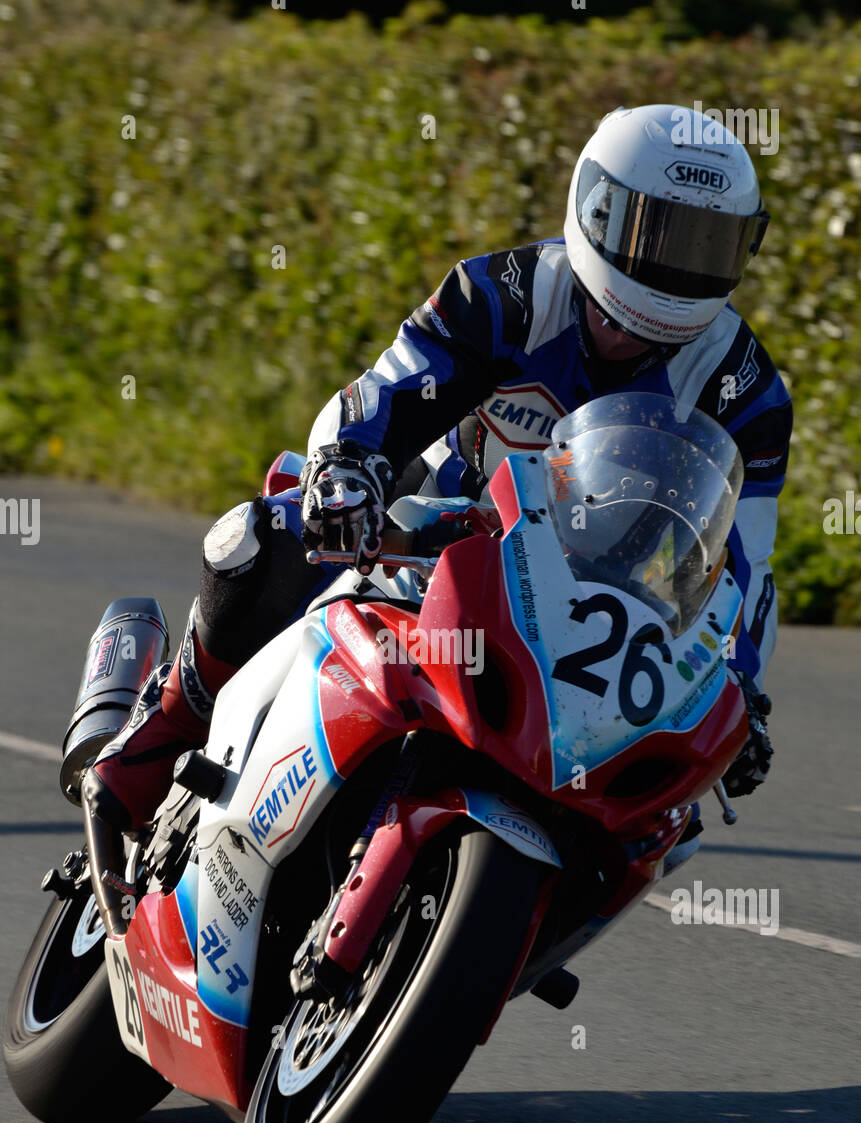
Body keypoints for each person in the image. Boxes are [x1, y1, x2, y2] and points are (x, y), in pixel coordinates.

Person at [85, 103, 789, 833]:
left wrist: (743, 685)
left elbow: (743, 566)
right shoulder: (504, 294)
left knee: (665, 820)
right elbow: (389, 388)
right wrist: (346, 469)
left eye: (707, 244)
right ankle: (162, 730)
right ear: (597, 208)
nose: (676, 266)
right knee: (261, 537)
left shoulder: (744, 389)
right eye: (656, 233)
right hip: (425, 538)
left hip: (592, 621)